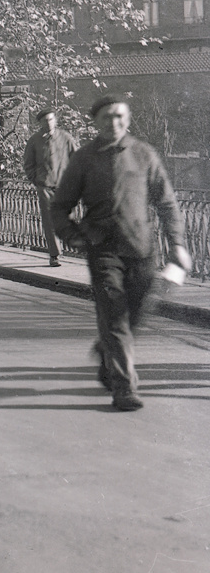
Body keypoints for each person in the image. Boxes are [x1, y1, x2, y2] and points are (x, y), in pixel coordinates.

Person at [51, 94, 191, 412]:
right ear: (95, 122)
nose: (113, 123)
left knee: (136, 314)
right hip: (102, 250)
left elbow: (167, 203)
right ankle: (124, 387)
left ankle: (107, 351)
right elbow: (60, 207)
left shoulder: (144, 154)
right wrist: (74, 236)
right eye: (106, 118)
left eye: (119, 117)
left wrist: (178, 246)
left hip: (142, 249)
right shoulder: (83, 159)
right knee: (114, 315)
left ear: (127, 120)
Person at [23, 108, 79, 267]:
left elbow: (77, 160)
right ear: (40, 123)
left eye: (51, 119)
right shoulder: (34, 140)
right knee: (49, 221)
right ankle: (55, 255)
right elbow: (28, 164)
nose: (49, 123)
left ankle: (74, 249)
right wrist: (38, 181)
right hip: (45, 187)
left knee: (68, 218)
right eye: (45, 120)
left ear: (55, 120)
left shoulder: (66, 138)